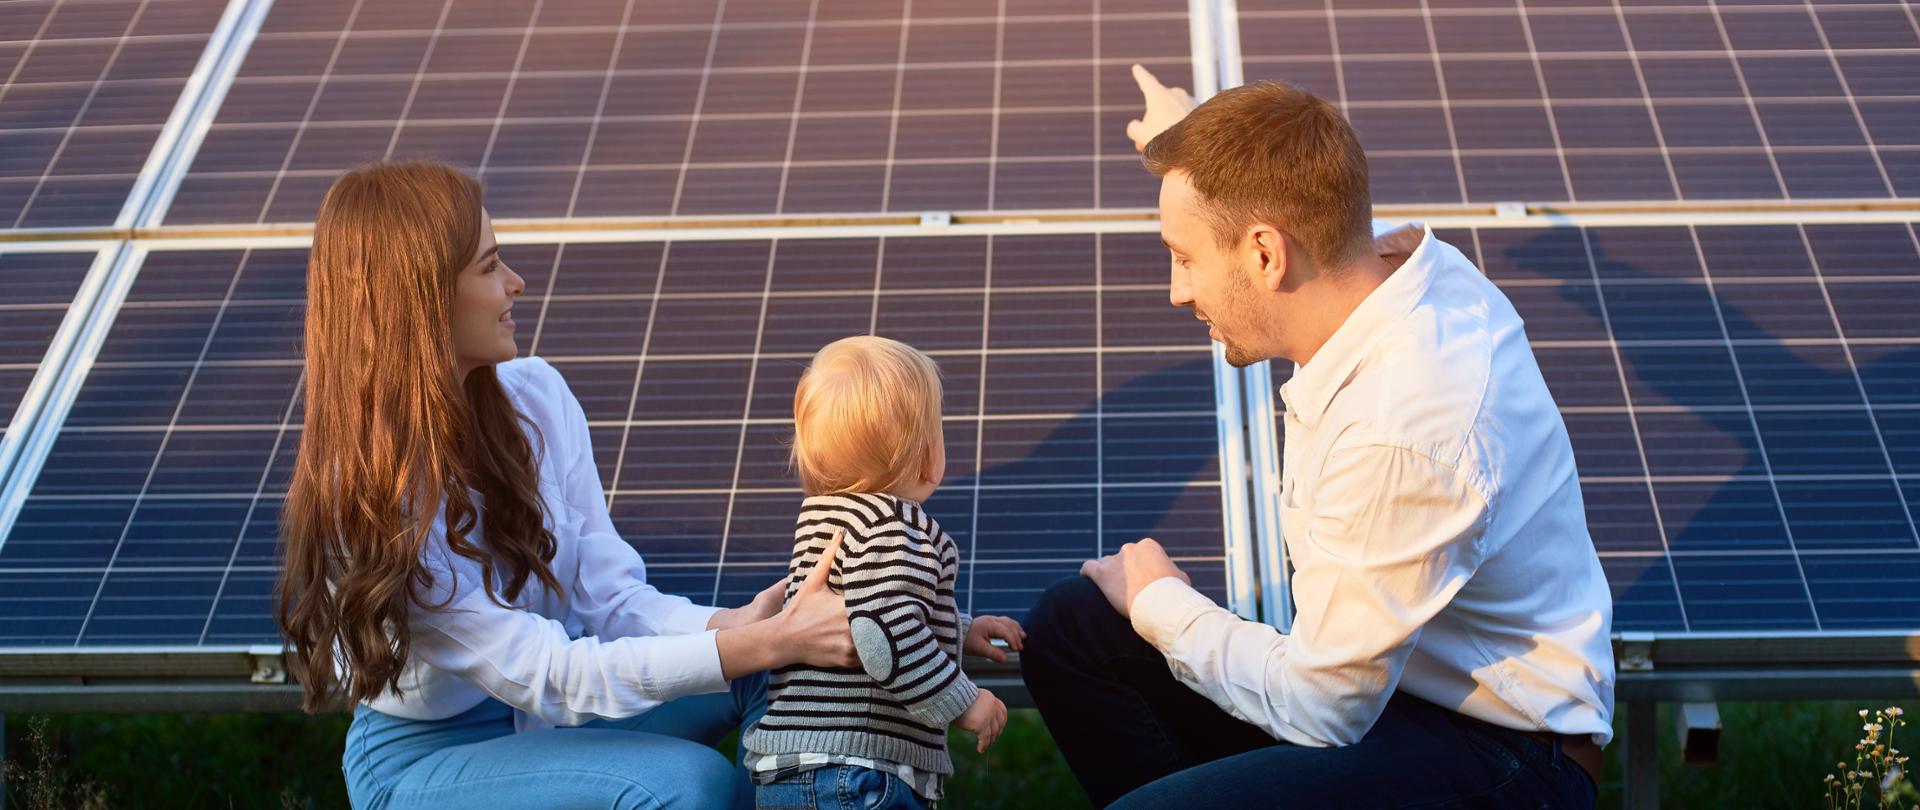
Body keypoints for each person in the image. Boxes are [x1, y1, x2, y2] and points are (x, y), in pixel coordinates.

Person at [1019, 68, 1615, 808]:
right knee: (1075, 630)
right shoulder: (1387, 274)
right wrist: (1196, 140)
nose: (1176, 290)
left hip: (1507, 757)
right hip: (1387, 695)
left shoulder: (1405, 428)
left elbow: (1323, 707)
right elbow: (1301, 191)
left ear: (1266, 254)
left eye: (1184, 255)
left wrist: (1163, 602)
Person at [274, 160, 859, 809]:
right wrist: (745, 643)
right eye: (490, 267)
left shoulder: (538, 398)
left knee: (782, 673)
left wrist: (739, 626)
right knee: (691, 786)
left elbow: (609, 598)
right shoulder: (371, 497)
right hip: (428, 760)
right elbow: (545, 674)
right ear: (423, 296)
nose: (516, 284)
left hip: (547, 714)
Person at [744, 335, 1026, 809]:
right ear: (921, 455)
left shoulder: (825, 522)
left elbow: (865, 608)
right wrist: (963, 701)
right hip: (857, 774)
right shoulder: (897, 527)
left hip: (797, 770)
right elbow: (884, 634)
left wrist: (960, 629)